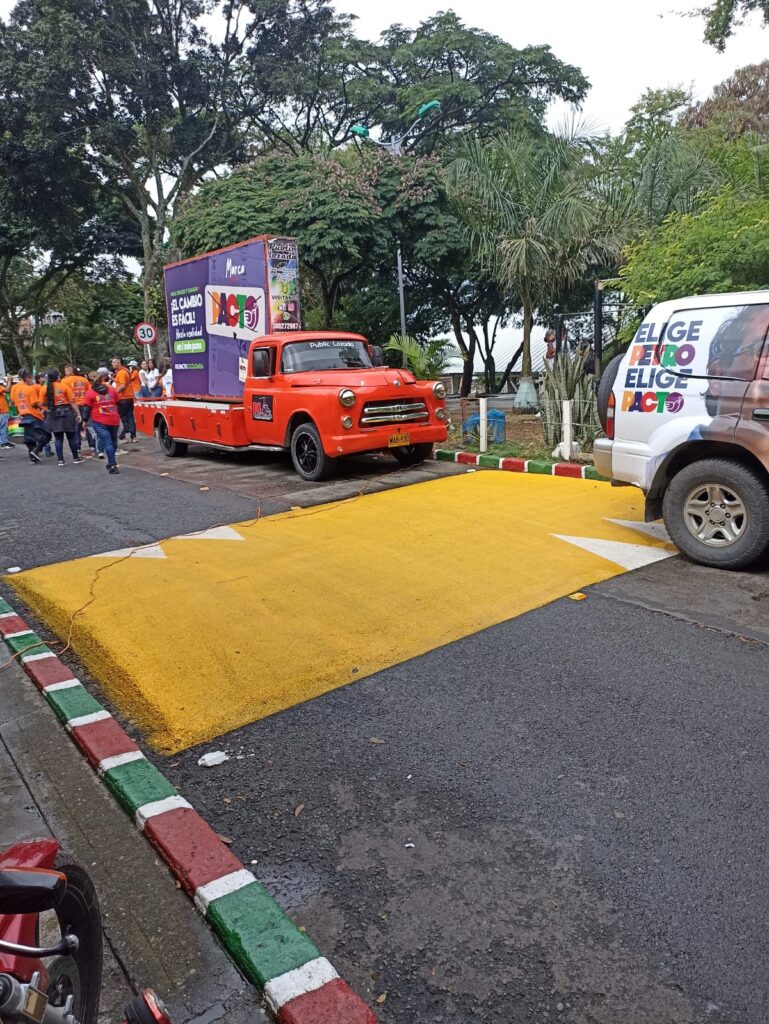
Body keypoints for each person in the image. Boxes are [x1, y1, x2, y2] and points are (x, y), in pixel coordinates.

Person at [83, 367, 121, 475]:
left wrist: (84, 421)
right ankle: (111, 462)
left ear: (90, 381)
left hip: (99, 421)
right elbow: (120, 402)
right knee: (113, 442)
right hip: (114, 419)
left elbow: (86, 409)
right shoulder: (112, 389)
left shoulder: (90, 393)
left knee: (107, 443)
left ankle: (112, 464)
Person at [43, 368, 84, 466]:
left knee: (58, 438)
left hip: (53, 414)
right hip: (67, 413)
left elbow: (41, 403)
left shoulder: (44, 388)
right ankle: (75, 458)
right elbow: (72, 402)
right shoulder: (64, 386)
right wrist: (78, 414)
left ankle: (60, 460)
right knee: (71, 437)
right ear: (57, 376)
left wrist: (48, 408)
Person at [10, 369, 51, 464]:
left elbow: (13, 402)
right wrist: (44, 408)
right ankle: (36, 451)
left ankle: (32, 457)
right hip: (33, 415)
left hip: (23, 416)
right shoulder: (30, 389)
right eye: (31, 379)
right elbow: (34, 404)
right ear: (27, 378)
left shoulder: (16, 389)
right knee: (46, 434)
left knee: (29, 438)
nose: (32, 381)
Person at [62, 363, 96, 457]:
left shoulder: (64, 381)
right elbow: (90, 392)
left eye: (66, 371)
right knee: (89, 426)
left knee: (76, 428)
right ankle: (93, 446)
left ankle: (77, 447)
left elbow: (63, 394)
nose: (65, 372)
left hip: (74, 406)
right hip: (86, 405)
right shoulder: (84, 380)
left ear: (70, 371)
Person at [112, 356, 137, 444]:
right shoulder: (125, 371)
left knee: (122, 418)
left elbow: (122, 386)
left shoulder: (121, 372)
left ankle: (122, 437)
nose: (112, 364)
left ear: (119, 362)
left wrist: (113, 394)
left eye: (114, 362)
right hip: (129, 397)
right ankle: (133, 436)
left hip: (122, 398)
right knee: (130, 417)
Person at [0, 375, 13, 448]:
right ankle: (4, 443)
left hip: (2, 411)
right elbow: (8, 390)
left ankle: (5, 442)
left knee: (3, 427)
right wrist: (9, 381)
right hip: (2, 411)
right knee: (3, 428)